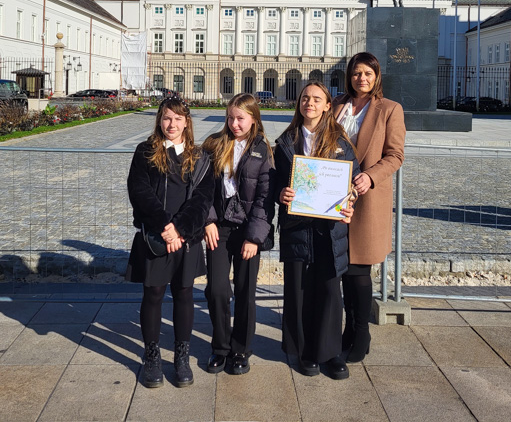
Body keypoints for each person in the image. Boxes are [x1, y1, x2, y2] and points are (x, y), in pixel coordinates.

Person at [125, 96, 214, 389]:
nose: (171, 124)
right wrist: (165, 227)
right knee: (152, 294)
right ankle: (151, 357)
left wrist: (181, 230)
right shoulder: (146, 152)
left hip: (185, 239)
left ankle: (181, 356)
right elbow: (139, 191)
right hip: (156, 236)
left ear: (187, 122)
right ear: (159, 120)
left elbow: (202, 199)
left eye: (177, 119)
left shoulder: (200, 157)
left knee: (184, 294)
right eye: (166, 118)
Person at [275, 81, 359, 380]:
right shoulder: (286, 141)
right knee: (297, 291)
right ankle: (303, 351)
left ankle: (331, 352)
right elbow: (274, 184)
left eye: (316, 99)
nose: (309, 103)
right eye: (305, 98)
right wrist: (281, 195)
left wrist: (351, 201)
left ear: (327, 106)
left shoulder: (341, 141)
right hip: (297, 227)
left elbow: (353, 180)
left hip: (328, 229)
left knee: (328, 290)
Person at [332, 52, 406, 363]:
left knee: (359, 272)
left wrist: (370, 177)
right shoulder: (337, 105)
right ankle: (346, 331)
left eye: (368, 74)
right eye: (356, 73)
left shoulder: (389, 109)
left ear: (376, 77)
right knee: (340, 269)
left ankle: (360, 332)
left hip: (366, 197)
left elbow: (395, 155)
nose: (361, 79)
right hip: (334, 195)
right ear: (349, 76)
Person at [202, 93, 274, 376]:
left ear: (253, 119)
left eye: (240, 118)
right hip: (218, 226)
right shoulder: (213, 145)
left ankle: (241, 349)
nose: (234, 123)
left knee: (245, 292)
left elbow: (265, 198)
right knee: (217, 289)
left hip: (246, 230)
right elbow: (202, 188)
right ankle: (220, 347)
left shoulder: (262, 150)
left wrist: (254, 238)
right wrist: (208, 220)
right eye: (230, 117)